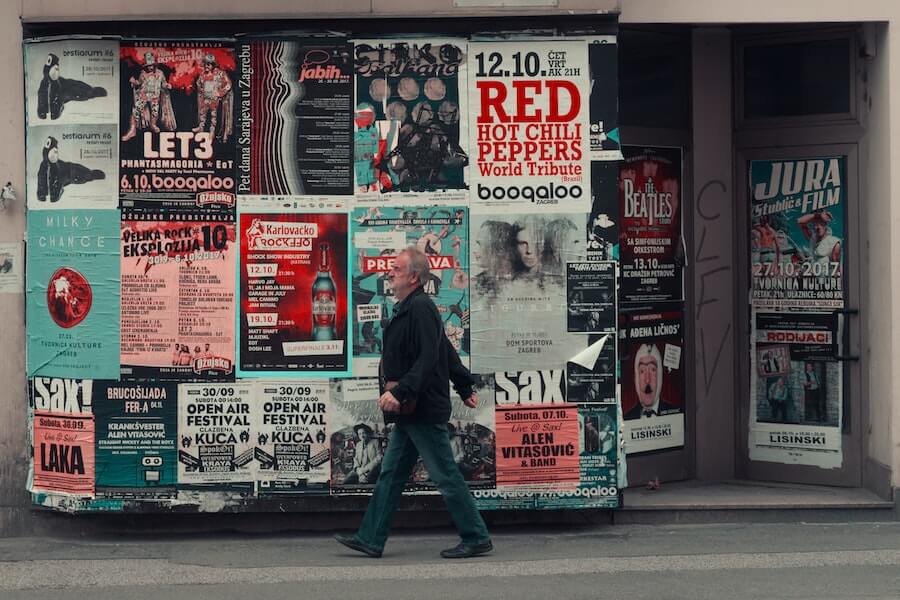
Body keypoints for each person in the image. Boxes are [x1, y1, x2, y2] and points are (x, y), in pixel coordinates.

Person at [335, 246, 492, 559]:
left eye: (396, 268)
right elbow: (445, 347)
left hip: (421, 408)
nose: (390, 272)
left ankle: (476, 536)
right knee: (391, 475)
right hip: (412, 411)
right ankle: (371, 538)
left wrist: (400, 391)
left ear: (414, 276)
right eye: (391, 267)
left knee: (446, 475)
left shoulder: (420, 307)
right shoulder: (409, 306)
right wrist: (463, 385)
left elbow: (430, 357)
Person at [121, 51, 175, 142]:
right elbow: (139, 83)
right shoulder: (143, 74)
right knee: (136, 111)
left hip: (154, 96)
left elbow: (163, 83)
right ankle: (132, 130)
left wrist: (167, 85)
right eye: (148, 66)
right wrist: (134, 82)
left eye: (151, 65)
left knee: (155, 112)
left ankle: (153, 124)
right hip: (144, 95)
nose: (150, 67)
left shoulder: (160, 73)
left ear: (154, 65)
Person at [36, 53, 107, 120]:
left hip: (62, 86)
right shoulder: (45, 83)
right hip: (60, 87)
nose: (56, 70)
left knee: (73, 86)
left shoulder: (57, 82)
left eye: (57, 69)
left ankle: (91, 90)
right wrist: (43, 110)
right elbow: (42, 94)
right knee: (70, 87)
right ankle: (91, 91)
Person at [36, 136, 106, 203]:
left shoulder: (58, 167)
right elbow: (41, 179)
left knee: (83, 174)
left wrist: (55, 194)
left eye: (56, 152)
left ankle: (92, 174)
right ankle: (91, 174)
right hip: (66, 170)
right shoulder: (43, 165)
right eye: (54, 151)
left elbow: (60, 180)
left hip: (69, 170)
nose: (55, 154)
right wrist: (41, 194)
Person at [625, 343, 680, 419]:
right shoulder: (626, 418)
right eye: (642, 371)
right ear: (636, 379)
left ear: (659, 376)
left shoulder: (675, 414)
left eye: (653, 370)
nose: (647, 380)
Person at [193, 53, 233, 142]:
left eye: (209, 64)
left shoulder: (220, 73)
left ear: (213, 64)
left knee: (213, 116)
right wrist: (202, 90)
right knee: (202, 113)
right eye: (205, 63)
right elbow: (198, 83)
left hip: (214, 99)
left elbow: (228, 84)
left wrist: (220, 93)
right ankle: (201, 127)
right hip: (205, 98)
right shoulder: (203, 74)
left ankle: (212, 131)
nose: (206, 66)